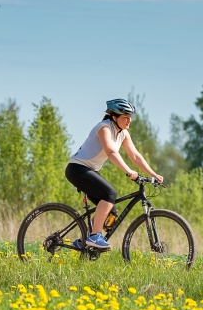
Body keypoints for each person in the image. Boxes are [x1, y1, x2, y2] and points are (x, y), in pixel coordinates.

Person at [65, 98, 163, 250]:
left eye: (130, 117)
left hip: (90, 171)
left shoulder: (123, 133)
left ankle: (82, 240)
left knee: (111, 213)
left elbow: (135, 156)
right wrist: (129, 171)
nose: (129, 120)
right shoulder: (104, 128)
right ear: (114, 117)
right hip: (77, 169)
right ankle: (94, 236)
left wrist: (153, 174)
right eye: (125, 117)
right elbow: (111, 152)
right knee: (110, 193)